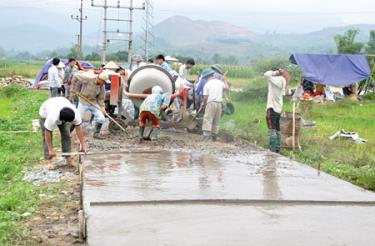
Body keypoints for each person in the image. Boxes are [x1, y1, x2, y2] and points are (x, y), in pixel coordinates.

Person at [39, 97, 88, 170]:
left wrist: (83, 144)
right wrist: (50, 149)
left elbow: (79, 128)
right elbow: (47, 132)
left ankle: (68, 157)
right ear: (62, 119)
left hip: (62, 104)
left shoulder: (76, 114)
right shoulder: (52, 116)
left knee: (66, 134)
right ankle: (48, 160)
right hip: (45, 111)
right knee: (46, 136)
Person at [70, 72, 111, 139]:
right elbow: (75, 76)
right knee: (77, 118)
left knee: (101, 118)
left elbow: (101, 98)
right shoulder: (89, 79)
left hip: (93, 103)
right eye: (104, 82)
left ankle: (96, 134)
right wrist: (73, 88)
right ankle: (68, 132)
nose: (104, 83)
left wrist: (102, 107)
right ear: (100, 79)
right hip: (83, 101)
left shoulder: (102, 86)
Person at [264, 69, 289, 153]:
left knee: (272, 129)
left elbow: (266, 74)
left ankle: (272, 149)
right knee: (277, 129)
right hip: (278, 109)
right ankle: (277, 148)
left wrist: (275, 72)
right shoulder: (283, 81)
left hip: (272, 108)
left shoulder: (274, 80)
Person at [201, 68, 229, 141]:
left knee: (207, 119)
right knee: (216, 120)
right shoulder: (220, 82)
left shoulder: (207, 84)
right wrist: (225, 81)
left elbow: (205, 98)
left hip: (211, 103)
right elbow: (226, 88)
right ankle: (214, 137)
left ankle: (206, 137)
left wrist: (204, 105)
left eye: (204, 78)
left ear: (206, 77)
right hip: (219, 104)